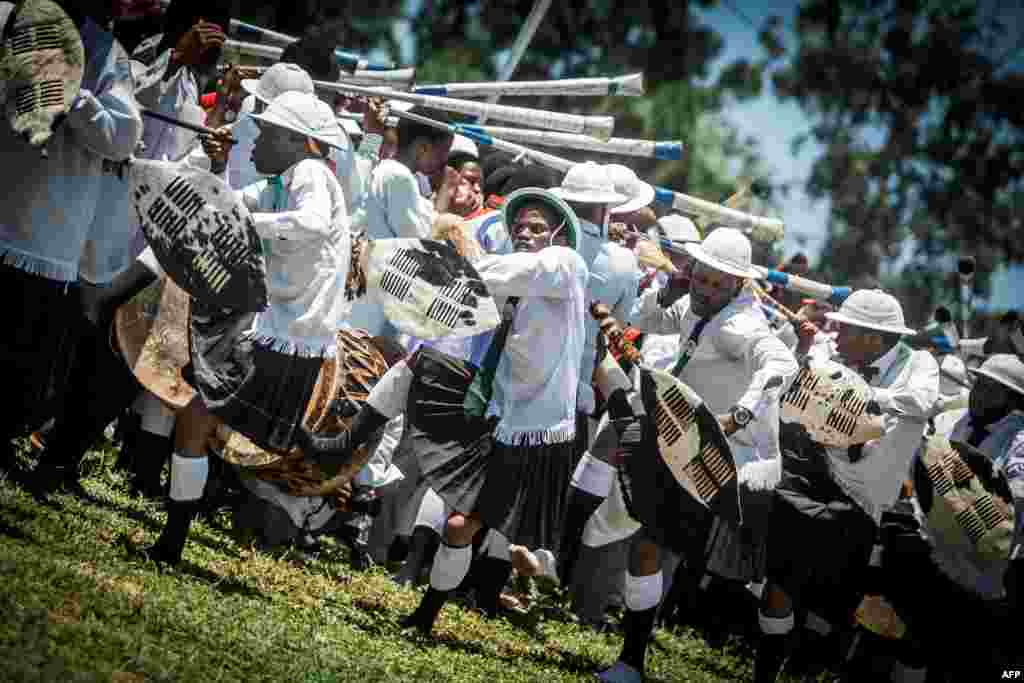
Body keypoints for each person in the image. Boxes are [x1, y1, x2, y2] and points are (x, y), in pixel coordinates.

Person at [297, 187, 589, 637]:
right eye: (519, 227)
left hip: (537, 433)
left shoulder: (565, 265)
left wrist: (453, 262)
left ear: (559, 234)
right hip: (498, 411)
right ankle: (341, 444)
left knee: (458, 527)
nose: (524, 233)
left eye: (536, 227)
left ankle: (435, 612)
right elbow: (453, 309)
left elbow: (504, 271)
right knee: (421, 361)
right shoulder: (506, 284)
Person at [27, 1, 235, 497]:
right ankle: (40, 441)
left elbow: (175, 161)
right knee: (73, 349)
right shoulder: (136, 57)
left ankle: (63, 454)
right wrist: (175, 58)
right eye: (207, 29)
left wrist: (210, 150)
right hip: (101, 227)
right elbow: (127, 113)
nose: (214, 42)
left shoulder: (189, 85)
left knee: (112, 367)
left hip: (141, 243)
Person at [140, 91, 352, 566]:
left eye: (267, 134)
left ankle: (172, 540)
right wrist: (156, 172)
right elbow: (226, 203)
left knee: (197, 417)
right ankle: (317, 446)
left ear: (297, 141)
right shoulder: (282, 179)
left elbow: (311, 223)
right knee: (213, 418)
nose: (254, 144)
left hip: (284, 335)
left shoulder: (311, 173)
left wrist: (245, 222)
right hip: (283, 334)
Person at [755, 289, 939, 682]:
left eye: (845, 329)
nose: (834, 334)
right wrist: (804, 351)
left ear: (874, 337)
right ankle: (764, 674)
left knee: (834, 612)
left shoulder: (919, 363)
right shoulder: (834, 353)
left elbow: (921, 402)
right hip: (812, 479)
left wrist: (859, 395)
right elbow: (794, 388)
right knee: (779, 585)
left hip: (865, 506)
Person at [0, 1, 143, 469]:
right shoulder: (8, 19)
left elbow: (122, 137)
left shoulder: (104, 51)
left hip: (44, 236)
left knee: (19, 364)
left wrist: (74, 95)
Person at [883, 353, 1024, 681]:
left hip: (983, 554)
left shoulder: (1019, 440)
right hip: (932, 535)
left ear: (1012, 400)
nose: (980, 394)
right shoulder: (955, 420)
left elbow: (1016, 493)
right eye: (979, 384)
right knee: (915, 624)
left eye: (993, 389)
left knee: (956, 643)